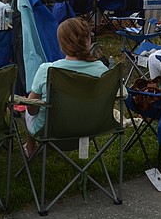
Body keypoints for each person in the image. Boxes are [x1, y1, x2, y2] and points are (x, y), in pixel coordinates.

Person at [23, 18, 107, 157]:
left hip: (50, 133)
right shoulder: (101, 69)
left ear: (62, 44)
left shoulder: (47, 70)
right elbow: (121, 95)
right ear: (88, 40)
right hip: (89, 129)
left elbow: (32, 111)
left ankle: (30, 148)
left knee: (30, 101)